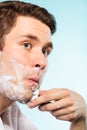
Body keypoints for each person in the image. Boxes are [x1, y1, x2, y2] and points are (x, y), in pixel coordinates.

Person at [0, 1, 86, 130]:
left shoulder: (13, 118)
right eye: (26, 45)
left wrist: (81, 118)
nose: (43, 63)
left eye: (45, 51)